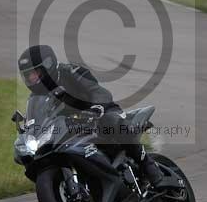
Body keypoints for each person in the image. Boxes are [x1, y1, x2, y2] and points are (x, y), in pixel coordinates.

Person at [17, 44, 164, 187]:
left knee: (111, 122)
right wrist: (27, 137)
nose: (31, 79)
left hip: (99, 113)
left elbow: (98, 91)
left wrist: (96, 107)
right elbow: (36, 122)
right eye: (28, 76)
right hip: (73, 129)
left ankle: (149, 166)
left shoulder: (71, 71)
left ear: (47, 66)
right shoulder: (35, 98)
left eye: (34, 73)